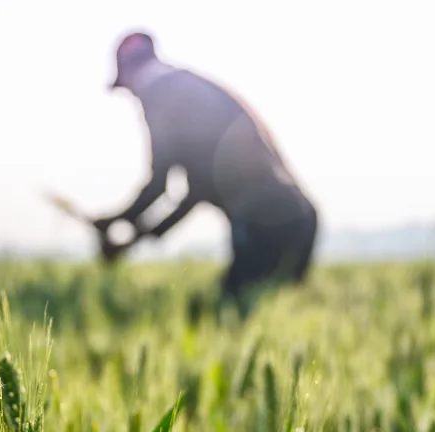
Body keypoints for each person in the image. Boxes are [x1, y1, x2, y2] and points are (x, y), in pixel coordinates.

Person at [92, 31, 319, 313]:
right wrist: (133, 232)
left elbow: (160, 185)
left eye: (127, 87)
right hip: (301, 218)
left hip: (262, 226)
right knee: (278, 314)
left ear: (131, 73)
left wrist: (118, 222)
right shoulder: (194, 90)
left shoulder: (160, 98)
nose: (132, 95)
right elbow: (196, 191)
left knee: (224, 311)